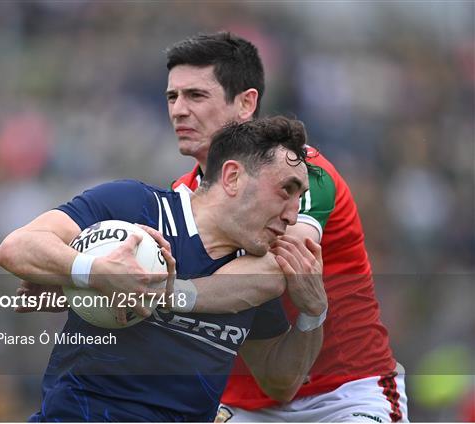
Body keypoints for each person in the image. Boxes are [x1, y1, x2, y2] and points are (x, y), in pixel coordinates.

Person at [0, 117, 327, 422]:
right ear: (232, 177)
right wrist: (94, 271)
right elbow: (18, 247)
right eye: (287, 190)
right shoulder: (136, 208)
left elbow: (278, 381)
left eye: (300, 197)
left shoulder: (250, 277)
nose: (293, 216)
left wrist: (313, 313)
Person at [165, 32, 408, 422]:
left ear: (246, 103)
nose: (178, 110)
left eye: (196, 96)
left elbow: (281, 268)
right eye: (172, 97)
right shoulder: (180, 194)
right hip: (240, 407)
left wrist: (162, 292)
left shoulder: (305, 172)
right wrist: (79, 278)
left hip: (344, 395)